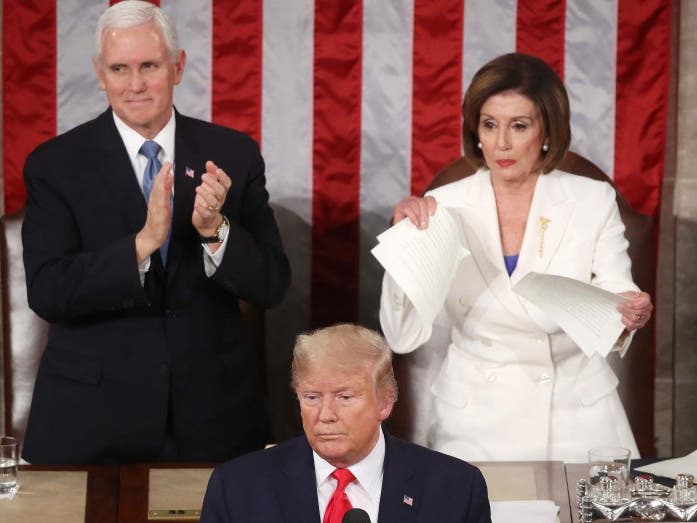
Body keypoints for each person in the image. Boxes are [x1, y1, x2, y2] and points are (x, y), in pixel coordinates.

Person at [20, 0, 290, 464]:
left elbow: (271, 284)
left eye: (149, 65)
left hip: (215, 417)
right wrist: (141, 246)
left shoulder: (233, 154)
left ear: (178, 66)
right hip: (92, 419)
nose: (136, 84)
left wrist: (215, 231)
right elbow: (48, 291)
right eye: (119, 69)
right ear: (100, 74)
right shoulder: (55, 165)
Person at [379, 53, 653, 463]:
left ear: (547, 131)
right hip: (472, 423)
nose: (502, 143)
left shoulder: (591, 199)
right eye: (490, 125)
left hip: (578, 420)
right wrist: (405, 247)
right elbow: (401, 336)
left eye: (519, 126)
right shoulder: (442, 207)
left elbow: (616, 291)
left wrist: (627, 313)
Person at [199, 324, 491, 523]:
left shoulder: (454, 489)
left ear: (385, 402)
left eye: (345, 397)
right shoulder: (238, 488)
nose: (326, 414)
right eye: (312, 397)